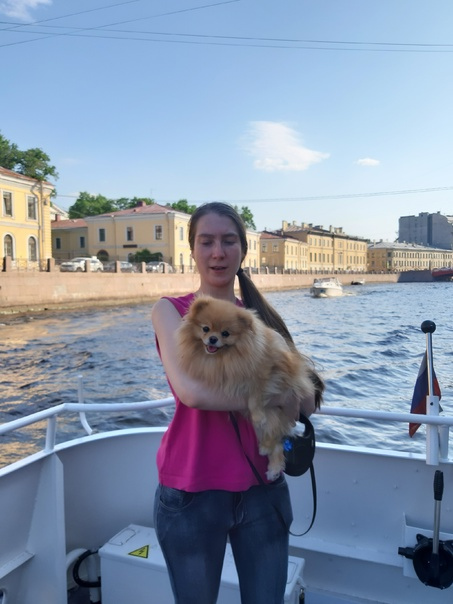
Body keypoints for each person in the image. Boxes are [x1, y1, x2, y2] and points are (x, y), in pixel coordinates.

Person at [151, 202, 324, 604]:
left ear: (243, 250)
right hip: (191, 488)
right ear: (192, 250)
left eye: (229, 241)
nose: (218, 252)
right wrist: (271, 395)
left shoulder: (258, 319)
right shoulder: (171, 311)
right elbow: (192, 394)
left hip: (263, 486)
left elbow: (307, 400)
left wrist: (284, 393)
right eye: (206, 241)